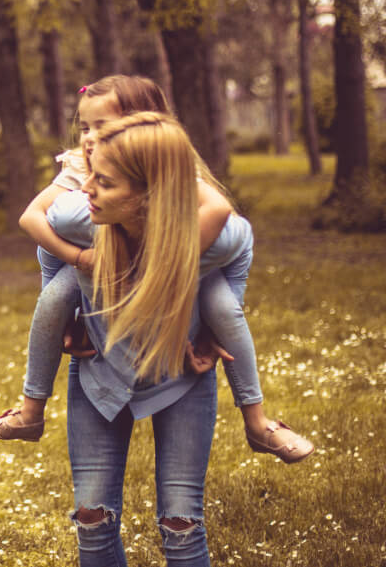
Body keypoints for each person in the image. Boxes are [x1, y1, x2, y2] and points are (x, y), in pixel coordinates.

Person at [0, 75, 312, 464]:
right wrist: (80, 260)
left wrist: (168, 263)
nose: (89, 136)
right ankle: (30, 412)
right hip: (96, 262)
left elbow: (221, 216)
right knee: (53, 297)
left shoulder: (171, 162)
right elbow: (32, 218)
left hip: (177, 262)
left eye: (103, 126)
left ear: (143, 126)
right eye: (85, 126)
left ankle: (258, 422)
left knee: (224, 309)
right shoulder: (76, 166)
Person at [48, 111, 269, 565]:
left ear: (149, 196)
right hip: (101, 376)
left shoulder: (211, 237)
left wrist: (212, 326)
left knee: (181, 525)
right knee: (91, 517)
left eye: (104, 183)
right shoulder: (79, 218)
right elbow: (39, 227)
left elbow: (241, 242)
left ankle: (261, 423)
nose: (85, 189)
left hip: (179, 374)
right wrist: (70, 311)